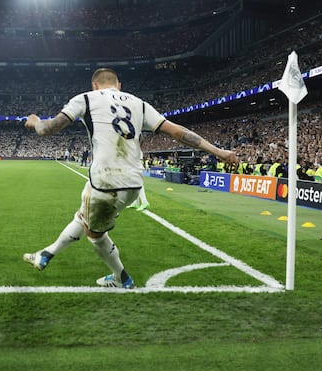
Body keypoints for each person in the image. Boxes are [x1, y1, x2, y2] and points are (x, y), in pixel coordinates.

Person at [22, 68, 238, 288]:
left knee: (95, 234)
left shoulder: (86, 98)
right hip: (134, 182)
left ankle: (121, 278)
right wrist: (219, 152)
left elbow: (48, 129)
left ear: (94, 85)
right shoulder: (139, 104)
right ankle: (46, 254)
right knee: (84, 215)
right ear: (119, 85)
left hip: (106, 181)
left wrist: (35, 121)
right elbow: (179, 133)